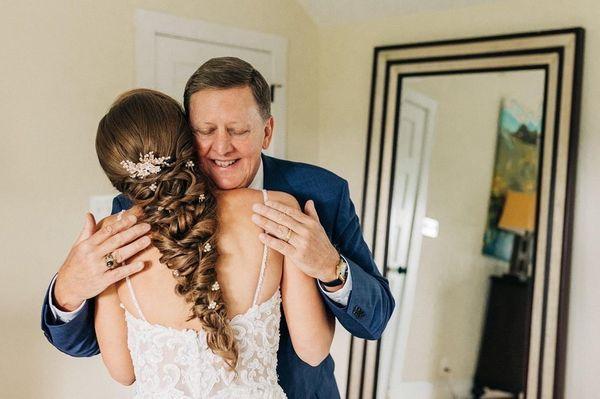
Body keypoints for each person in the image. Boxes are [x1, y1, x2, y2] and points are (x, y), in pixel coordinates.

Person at [41, 57, 395, 398]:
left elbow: (374, 320)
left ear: (267, 131)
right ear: (184, 135)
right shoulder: (132, 214)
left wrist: (332, 268)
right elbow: (94, 343)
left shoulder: (320, 194)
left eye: (238, 130)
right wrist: (68, 292)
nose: (222, 147)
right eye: (205, 131)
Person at [92, 88, 333, 397]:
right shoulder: (275, 208)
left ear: (117, 176)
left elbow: (123, 372)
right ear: (189, 143)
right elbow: (313, 350)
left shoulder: (111, 239)